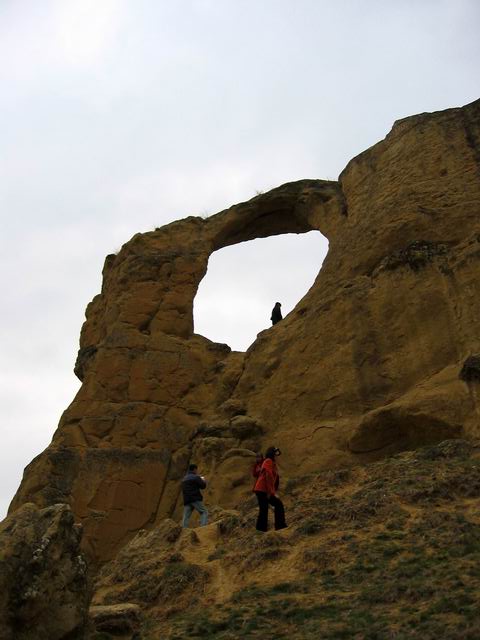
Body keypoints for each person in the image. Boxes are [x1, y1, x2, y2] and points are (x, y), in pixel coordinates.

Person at [254, 446, 287, 532]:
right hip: (262, 490)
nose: (277, 457)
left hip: (263, 490)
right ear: (272, 454)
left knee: (265, 508)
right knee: (273, 505)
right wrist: (271, 492)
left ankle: (263, 529)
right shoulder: (268, 461)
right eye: (275, 455)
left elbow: (273, 478)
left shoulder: (272, 463)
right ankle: (279, 526)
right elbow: (268, 476)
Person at [181, 463, 208, 527]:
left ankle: (184, 530)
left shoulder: (184, 479)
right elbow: (203, 486)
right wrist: (203, 480)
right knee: (204, 512)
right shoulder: (196, 477)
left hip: (186, 500)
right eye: (196, 470)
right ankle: (203, 527)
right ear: (194, 469)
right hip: (195, 498)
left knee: (186, 516)